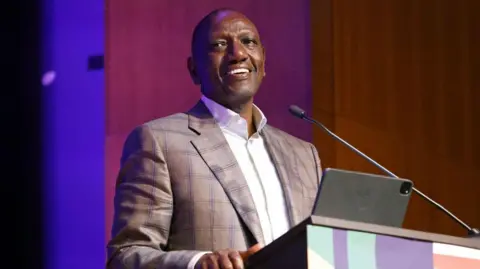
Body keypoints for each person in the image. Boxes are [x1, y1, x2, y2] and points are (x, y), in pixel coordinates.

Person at [107, 8, 322, 269]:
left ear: (263, 61)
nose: (238, 54)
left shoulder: (303, 155)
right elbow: (126, 257)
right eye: (220, 45)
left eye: (248, 42)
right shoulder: (158, 142)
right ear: (194, 69)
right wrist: (199, 262)